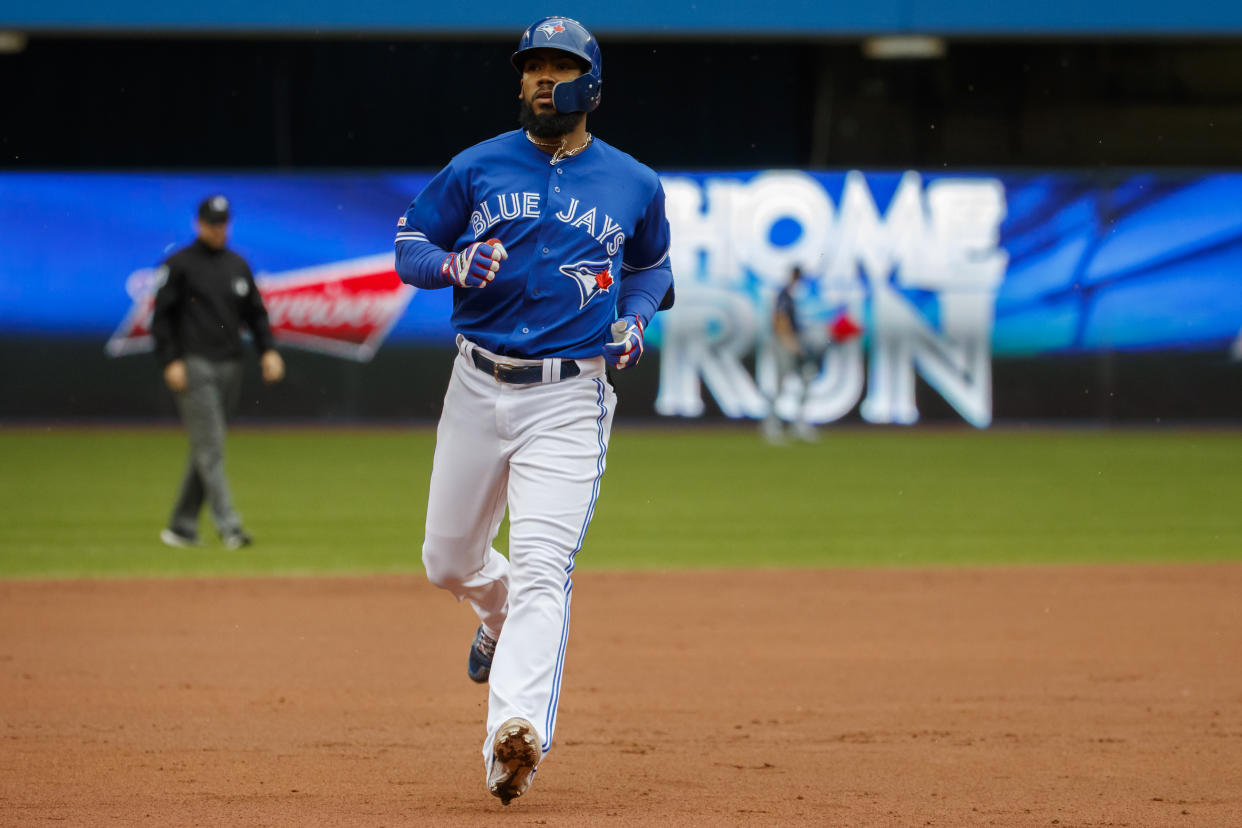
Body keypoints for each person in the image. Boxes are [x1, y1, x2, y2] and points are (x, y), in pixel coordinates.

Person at [393, 16, 674, 806]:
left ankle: (512, 735)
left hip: (570, 395)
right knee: (446, 561)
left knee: (547, 570)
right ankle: (492, 610)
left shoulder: (633, 182)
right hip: (476, 384)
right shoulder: (478, 166)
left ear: (591, 84)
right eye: (532, 67)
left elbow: (652, 269)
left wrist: (635, 318)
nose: (542, 79)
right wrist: (450, 261)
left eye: (559, 67)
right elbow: (409, 241)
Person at [150, 195, 285, 550]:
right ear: (198, 224)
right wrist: (171, 360)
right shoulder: (179, 265)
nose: (218, 228)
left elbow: (256, 314)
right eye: (212, 222)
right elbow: (161, 318)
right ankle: (230, 527)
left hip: (230, 364)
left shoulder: (237, 265)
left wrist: (268, 350)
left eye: (223, 222)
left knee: (207, 447)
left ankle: (181, 527)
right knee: (211, 447)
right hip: (194, 364)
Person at [762, 266, 823, 443]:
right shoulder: (785, 295)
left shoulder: (796, 296)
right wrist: (789, 342)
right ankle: (771, 424)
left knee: (806, 378)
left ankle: (799, 423)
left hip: (795, 341)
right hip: (784, 342)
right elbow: (779, 319)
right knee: (781, 384)